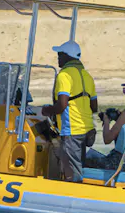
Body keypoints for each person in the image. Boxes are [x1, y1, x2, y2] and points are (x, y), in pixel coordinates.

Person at [40, 40, 97, 182]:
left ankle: (74, 197)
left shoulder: (64, 75)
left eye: (60, 54)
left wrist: (47, 110)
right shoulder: (87, 76)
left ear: (67, 56)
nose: (58, 58)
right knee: (78, 166)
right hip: (87, 130)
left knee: (72, 173)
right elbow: (94, 107)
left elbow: (62, 105)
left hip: (72, 131)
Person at [84, 78, 125, 171]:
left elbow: (107, 139)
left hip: (120, 164)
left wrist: (106, 120)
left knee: (87, 158)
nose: (124, 93)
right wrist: (118, 119)